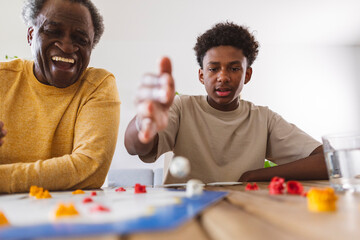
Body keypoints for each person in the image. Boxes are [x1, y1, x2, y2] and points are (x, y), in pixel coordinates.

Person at [124, 22, 328, 184]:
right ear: (201, 75)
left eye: (233, 68)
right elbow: (135, 147)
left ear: (247, 74)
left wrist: (255, 175)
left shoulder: (263, 118)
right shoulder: (181, 106)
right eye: (213, 69)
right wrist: (144, 121)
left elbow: (327, 162)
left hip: (242, 210)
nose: (223, 77)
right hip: (184, 210)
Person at [0, 0, 120, 193]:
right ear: (31, 35)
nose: (66, 47)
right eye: (53, 32)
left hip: (67, 219)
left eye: (80, 39)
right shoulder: (2, 80)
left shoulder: (97, 85)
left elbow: (90, 168)